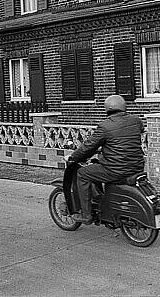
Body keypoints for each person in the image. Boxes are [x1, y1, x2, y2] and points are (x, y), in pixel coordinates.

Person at [66, 95, 145, 224]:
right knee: (97, 165)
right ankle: (102, 199)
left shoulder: (105, 126)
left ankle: (86, 215)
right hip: (137, 166)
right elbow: (128, 137)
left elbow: (88, 146)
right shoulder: (136, 120)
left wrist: (73, 157)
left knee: (82, 174)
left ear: (107, 108)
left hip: (116, 170)